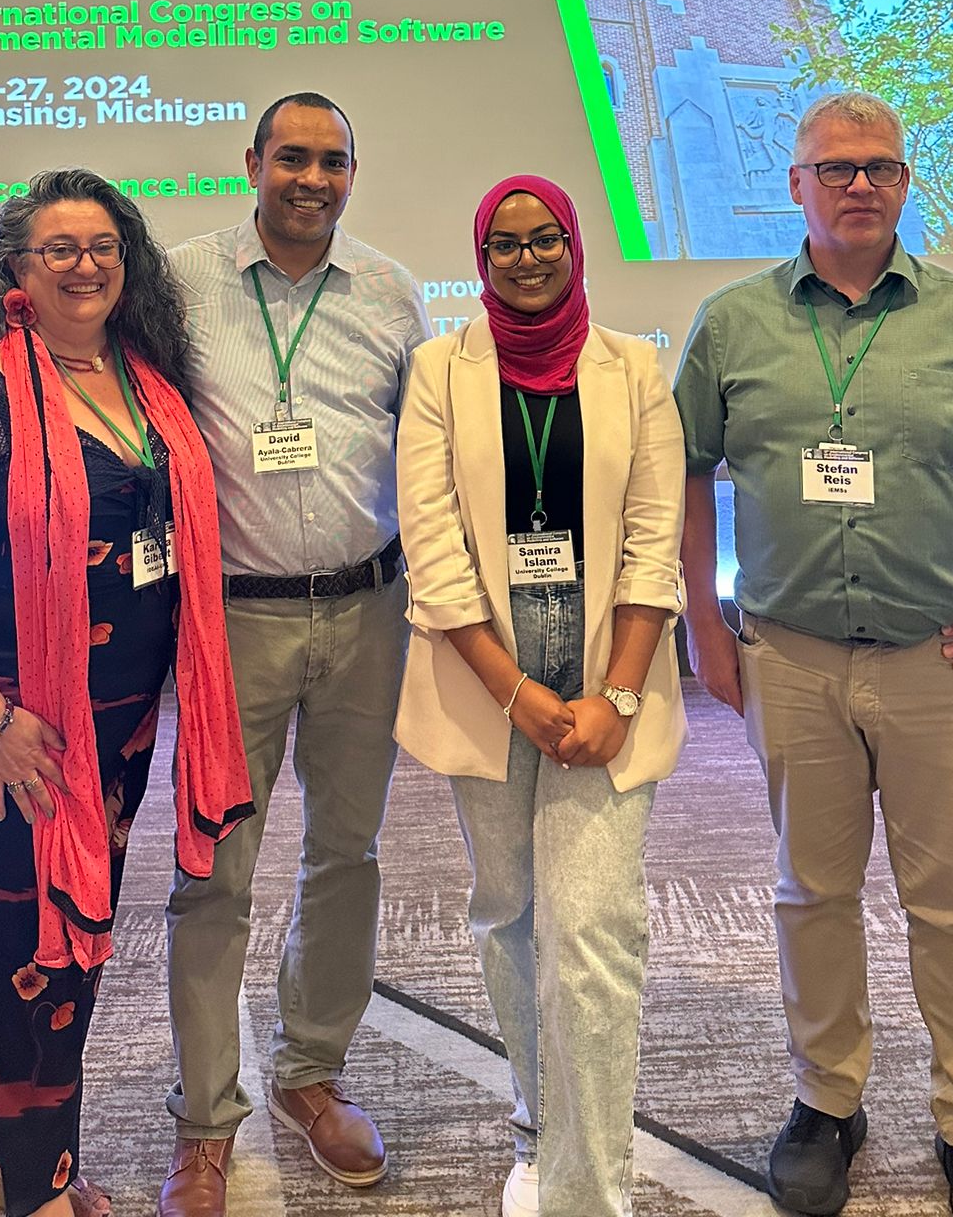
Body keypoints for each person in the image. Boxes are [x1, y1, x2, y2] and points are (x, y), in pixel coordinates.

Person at [672, 93, 953, 1217]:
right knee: (811, 892)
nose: (858, 183)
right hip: (791, 656)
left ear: (906, 182)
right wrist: (698, 616)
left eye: (878, 165)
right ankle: (828, 1101)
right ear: (796, 184)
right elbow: (680, 467)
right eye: (834, 167)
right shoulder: (731, 324)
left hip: (949, 662)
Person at [0, 167, 252, 1217]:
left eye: (103, 245)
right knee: (14, 946)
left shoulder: (144, 383)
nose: (86, 264)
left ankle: (33, 1159)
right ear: (14, 271)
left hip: (108, 722)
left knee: (72, 943)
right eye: (60, 247)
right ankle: (35, 1185)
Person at [158, 93, 431, 1217]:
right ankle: (204, 1120)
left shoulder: (392, 292)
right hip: (233, 623)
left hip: (371, 612)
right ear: (252, 163)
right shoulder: (177, 283)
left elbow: (427, 452)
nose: (311, 177)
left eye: (332, 160)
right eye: (291, 157)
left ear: (353, 173)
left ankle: (311, 1069)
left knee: (347, 853)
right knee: (213, 873)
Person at [396, 174, 687, 1217]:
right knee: (509, 912)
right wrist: (516, 689)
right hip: (487, 680)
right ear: (481, 258)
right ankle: (536, 1118)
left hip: (609, 685)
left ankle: (584, 1189)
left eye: (545, 238)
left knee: (595, 927)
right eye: (505, 244)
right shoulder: (439, 369)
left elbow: (656, 545)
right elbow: (433, 551)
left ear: (574, 243)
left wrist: (614, 689)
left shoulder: (635, 367)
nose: (527, 258)